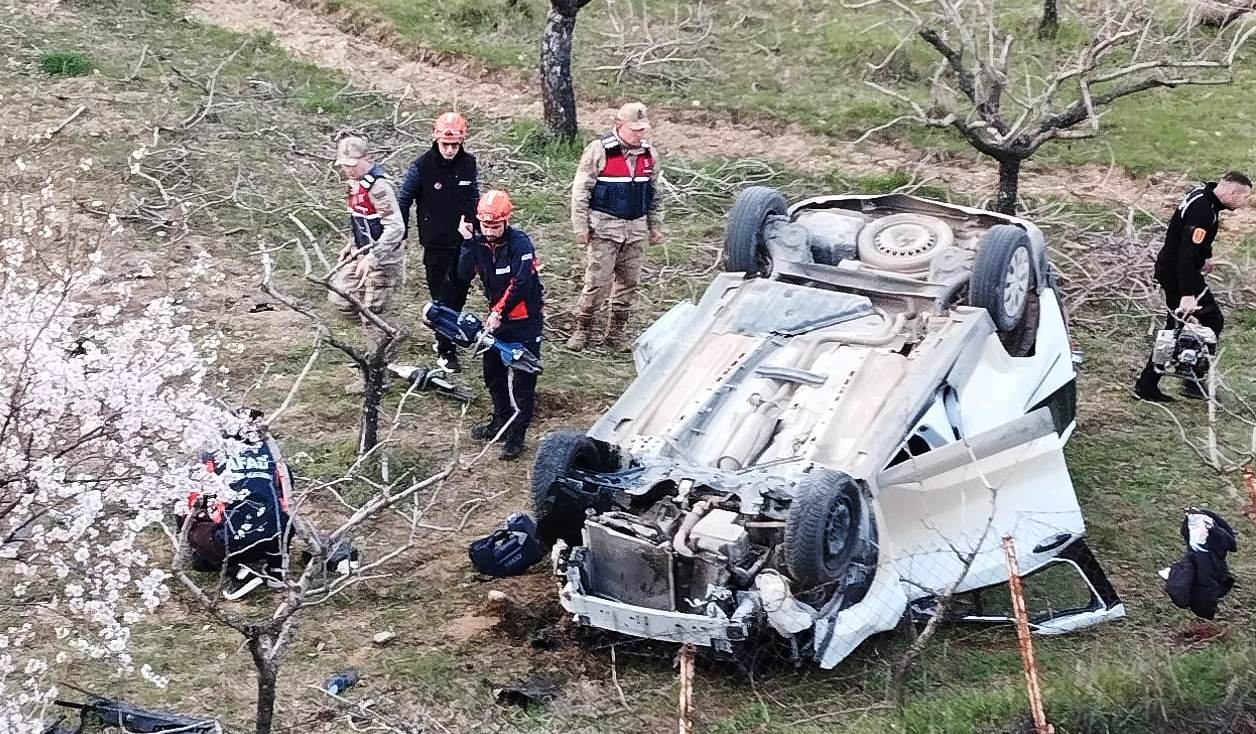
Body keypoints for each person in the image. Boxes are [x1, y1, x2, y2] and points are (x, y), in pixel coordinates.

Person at [442, 190, 544, 461]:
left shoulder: (520, 243)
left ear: (506, 221)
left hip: (524, 320)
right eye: (485, 226)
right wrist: (467, 242)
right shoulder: (478, 242)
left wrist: (499, 311)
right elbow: (463, 273)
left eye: (495, 226)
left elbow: (521, 283)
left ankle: (516, 436)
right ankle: (500, 421)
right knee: (493, 373)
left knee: (522, 380)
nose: (489, 231)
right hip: (497, 319)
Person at [1134, 172, 1251, 402]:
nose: (1244, 203)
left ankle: (1152, 383)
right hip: (1178, 274)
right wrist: (1187, 294)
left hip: (1174, 269)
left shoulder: (1203, 197)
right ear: (1232, 193)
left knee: (1176, 325)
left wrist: (1203, 258)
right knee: (1211, 320)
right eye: (1244, 197)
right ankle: (1190, 378)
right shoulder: (1203, 210)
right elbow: (1186, 255)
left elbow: (1187, 240)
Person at [567, 102, 664, 352]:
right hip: (604, 229)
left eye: (643, 129)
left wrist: (656, 226)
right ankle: (583, 329)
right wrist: (580, 226)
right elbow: (581, 191)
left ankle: (615, 333)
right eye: (635, 129)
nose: (640, 134)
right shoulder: (598, 150)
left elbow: (654, 194)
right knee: (597, 283)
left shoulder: (649, 154)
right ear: (619, 125)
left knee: (629, 282)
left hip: (636, 230)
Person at [398, 112, 480, 373]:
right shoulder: (421, 166)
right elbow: (403, 199)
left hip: (464, 242)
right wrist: (401, 233)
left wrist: (475, 226)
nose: (450, 150)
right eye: (445, 144)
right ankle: (445, 349)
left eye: (454, 145)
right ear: (436, 139)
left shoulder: (469, 164)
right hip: (435, 245)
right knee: (442, 299)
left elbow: (473, 197)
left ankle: (447, 337)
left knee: (459, 295)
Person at [184, 411, 293, 600]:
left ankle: (240, 574)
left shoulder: (213, 455)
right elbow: (287, 493)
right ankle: (277, 569)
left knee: (191, 526)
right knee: (278, 510)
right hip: (278, 535)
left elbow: (197, 500)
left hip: (238, 538)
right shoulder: (272, 453)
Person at [330, 136, 406, 350]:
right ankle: (388, 330)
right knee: (340, 297)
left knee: (372, 315)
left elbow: (395, 227)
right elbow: (359, 218)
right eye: (344, 164)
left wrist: (374, 256)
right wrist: (351, 244)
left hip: (383, 258)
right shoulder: (354, 184)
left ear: (368, 159)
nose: (348, 169)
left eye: (353, 164)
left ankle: (379, 362)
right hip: (361, 253)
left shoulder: (379, 187)